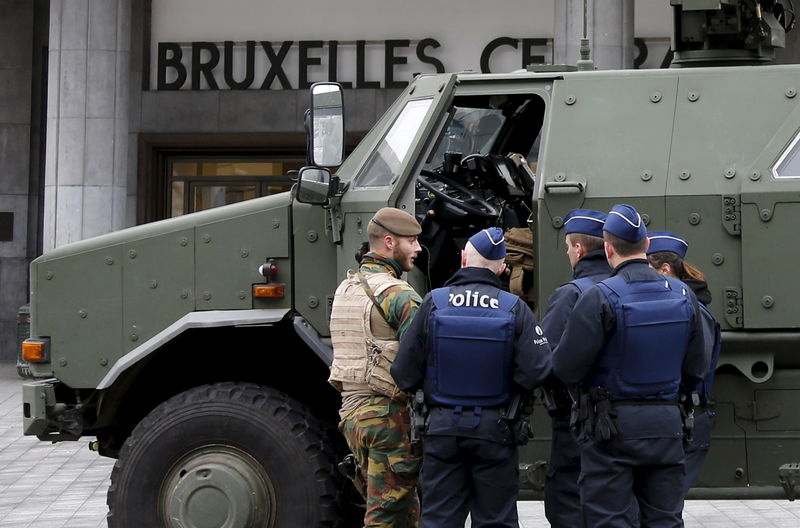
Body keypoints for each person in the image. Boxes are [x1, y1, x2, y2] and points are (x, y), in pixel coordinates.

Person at [553, 204, 708, 528]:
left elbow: (566, 368)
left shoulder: (599, 297)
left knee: (610, 519)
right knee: (665, 518)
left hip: (611, 428)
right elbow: (696, 368)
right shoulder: (682, 294)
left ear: (608, 249)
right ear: (647, 245)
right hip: (667, 424)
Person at [391, 228, 552, 528]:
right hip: (497, 430)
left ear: (463, 258)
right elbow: (539, 368)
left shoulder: (434, 303)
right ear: (503, 268)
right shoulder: (514, 308)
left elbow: (404, 373)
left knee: (439, 519)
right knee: (496, 520)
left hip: (441, 429)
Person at [328, 207, 424, 528]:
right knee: (385, 516)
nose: (418, 249)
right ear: (388, 242)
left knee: (404, 512)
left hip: (352, 416)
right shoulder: (398, 294)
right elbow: (423, 355)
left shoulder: (346, 289)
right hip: (387, 418)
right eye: (411, 241)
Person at [540, 209, 611, 528]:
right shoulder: (628, 290)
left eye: (568, 247)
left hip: (578, 421)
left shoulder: (571, 295)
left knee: (567, 502)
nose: (568, 253)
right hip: (630, 422)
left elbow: (546, 361)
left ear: (579, 249)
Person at [647, 231, 721, 496]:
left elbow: (695, 368)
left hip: (684, 418)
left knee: (662, 508)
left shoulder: (693, 311)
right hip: (675, 418)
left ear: (664, 270)